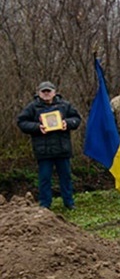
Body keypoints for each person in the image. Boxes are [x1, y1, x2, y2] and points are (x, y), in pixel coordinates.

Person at [17, 81, 82, 209]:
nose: (46, 94)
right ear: (39, 93)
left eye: (49, 91)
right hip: (43, 150)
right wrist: (37, 127)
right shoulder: (32, 107)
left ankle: (69, 202)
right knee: (45, 179)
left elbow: (77, 119)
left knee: (66, 177)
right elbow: (22, 122)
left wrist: (67, 123)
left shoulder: (65, 105)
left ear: (54, 92)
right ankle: (45, 204)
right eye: (44, 91)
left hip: (62, 148)